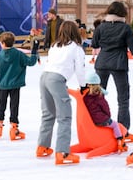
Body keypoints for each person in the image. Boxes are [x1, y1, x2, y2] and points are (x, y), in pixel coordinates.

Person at [36, 21, 85, 165]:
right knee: (64, 117)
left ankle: (42, 147)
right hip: (57, 79)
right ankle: (62, 153)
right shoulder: (76, 48)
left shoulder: (55, 45)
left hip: (44, 77)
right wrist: (83, 86)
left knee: (48, 114)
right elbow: (80, 70)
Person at [91, 1, 133, 143]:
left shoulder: (101, 27)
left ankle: (99, 127)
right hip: (118, 65)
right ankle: (123, 130)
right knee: (123, 99)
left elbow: (94, 44)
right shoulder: (125, 28)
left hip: (102, 64)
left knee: (98, 98)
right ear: (122, 13)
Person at [0, 31, 39, 140]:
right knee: (14, 105)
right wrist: (34, 52)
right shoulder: (18, 54)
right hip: (15, 84)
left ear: (2, 43)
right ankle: (14, 128)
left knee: (1, 104)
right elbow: (30, 62)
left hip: (3, 85)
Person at [83, 71, 127, 153]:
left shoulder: (85, 97)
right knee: (115, 125)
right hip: (101, 120)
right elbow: (105, 107)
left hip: (91, 120)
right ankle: (120, 140)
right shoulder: (99, 96)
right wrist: (108, 117)